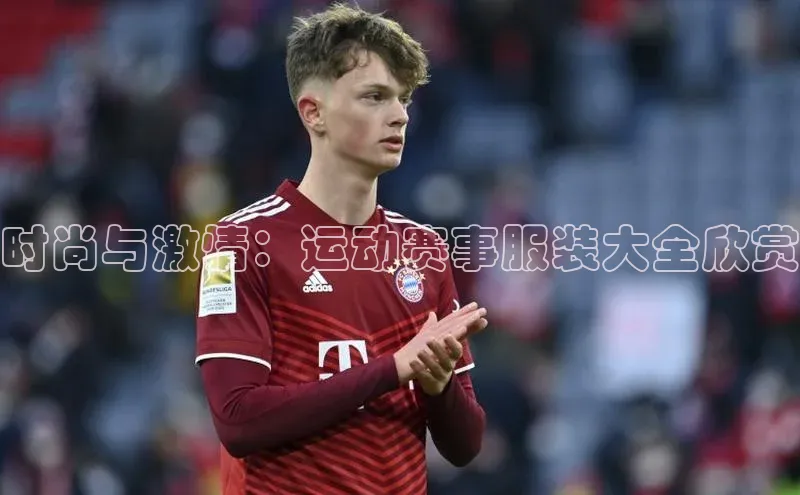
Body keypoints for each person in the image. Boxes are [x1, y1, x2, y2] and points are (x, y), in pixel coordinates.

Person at [194, 3, 488, 494]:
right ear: (314, 112)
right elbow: (238, 420)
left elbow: (466, 445)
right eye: (375, 97)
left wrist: (437, 385)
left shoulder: (425, 251)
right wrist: (393, 369)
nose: (399, 115)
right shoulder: (240, 242)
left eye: (403, 99)